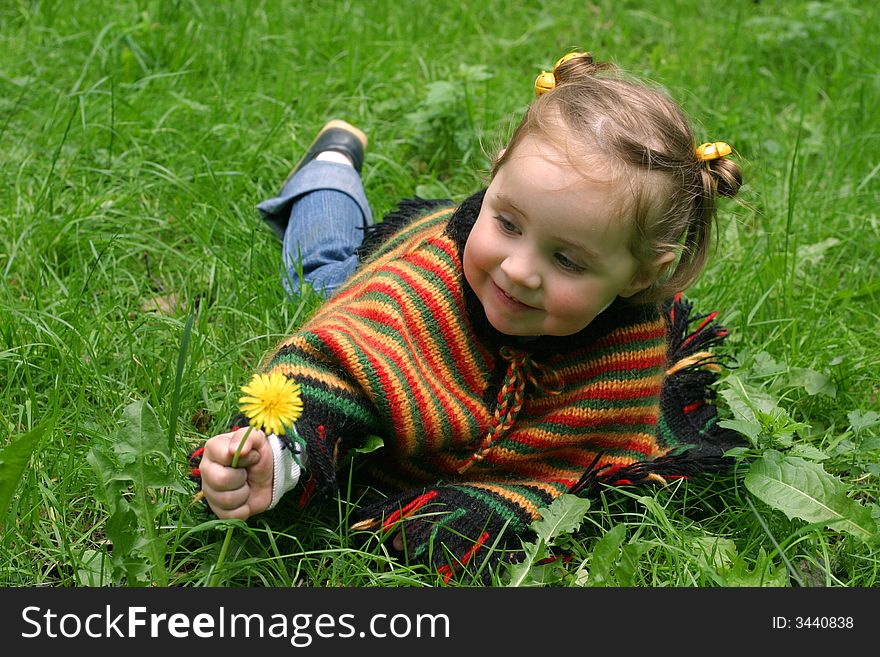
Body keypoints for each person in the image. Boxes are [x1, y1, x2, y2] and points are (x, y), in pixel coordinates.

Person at [189, 51, 745, 583]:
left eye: (567, 259)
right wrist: (280, 457)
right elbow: (330, 378)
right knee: (326, 270)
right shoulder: (418, 293)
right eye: (506, 223)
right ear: (495, 175)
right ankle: (328, 172)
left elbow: (596, 469)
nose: (518, 270)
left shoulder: (631, 345)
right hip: (407, 270)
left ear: (640, 276)